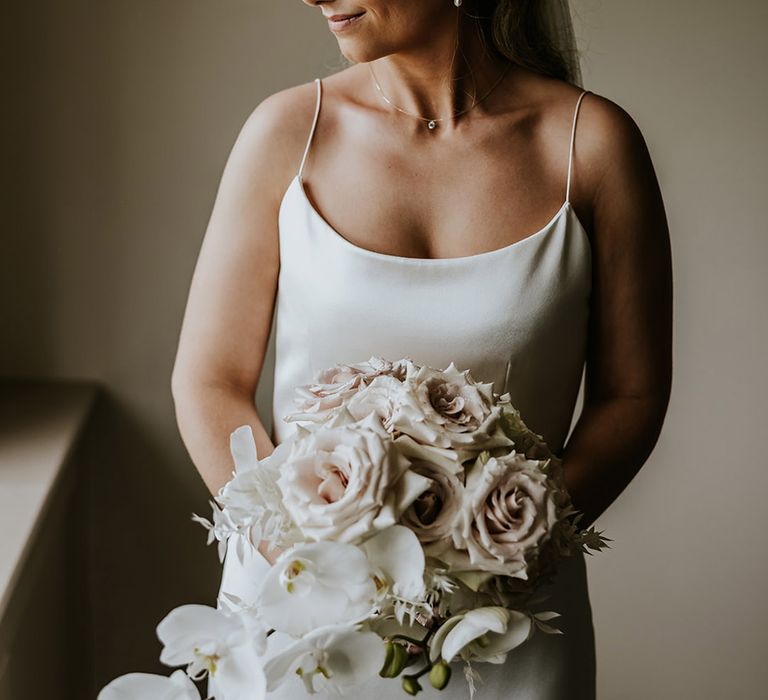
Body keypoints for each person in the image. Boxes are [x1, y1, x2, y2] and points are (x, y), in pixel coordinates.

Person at [171, 1, 672, 697]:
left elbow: (633, 395)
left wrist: (502, 550)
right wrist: (313, 569)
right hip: (300, 626)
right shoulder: (287, 131)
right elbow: (209, 382)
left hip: (502, 631)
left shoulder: (591, 144)